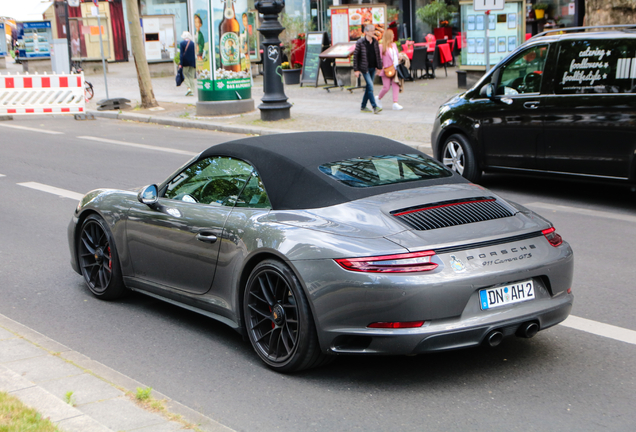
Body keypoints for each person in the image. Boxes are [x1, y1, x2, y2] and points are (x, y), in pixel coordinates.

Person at [353, 24, 382, 114]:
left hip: (373, 67)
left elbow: (377, 55)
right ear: (366, 32)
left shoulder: (375, 42)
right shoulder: (360, 42)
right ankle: (374, 106)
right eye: (371, 30)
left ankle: (363, 106)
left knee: (369, 87)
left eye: (374, 30)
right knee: (370, 86)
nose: (373, 32)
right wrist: (356, 70)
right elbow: (356, 57)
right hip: (364, 68)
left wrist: (379, 67)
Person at [377, 29, 403, 111]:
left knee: (396, 85)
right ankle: (378, 98)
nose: (394, 36)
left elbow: (396, 55)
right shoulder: (381, 46)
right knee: (386, 87)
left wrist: (400, 57)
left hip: (395, 68)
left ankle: (395, 103)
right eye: (392, 35)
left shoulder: (394, 45)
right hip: (386, 69)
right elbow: (378, 58)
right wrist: (379, 68)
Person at [179, 31, 196, 96]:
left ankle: (188, 88)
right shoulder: (192, 43)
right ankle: (192, 91)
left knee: (184, 75)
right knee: (191, 76)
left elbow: (181, 54)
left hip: (185, 62)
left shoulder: (182, 43)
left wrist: (181, 63)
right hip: (192, 62)